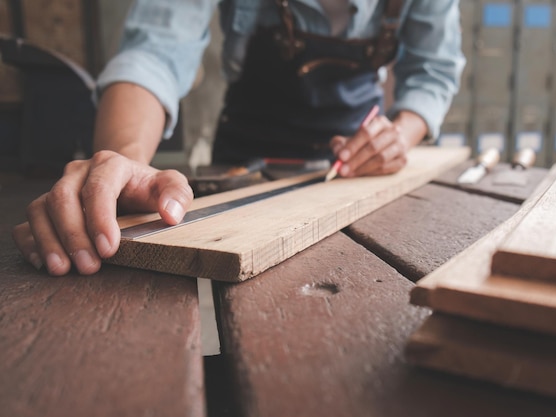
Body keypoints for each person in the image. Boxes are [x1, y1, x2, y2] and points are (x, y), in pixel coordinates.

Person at [12, 0, 465, 276]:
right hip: (245, 157)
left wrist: (399, 136)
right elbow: (155, 50)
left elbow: (434, 70)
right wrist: (124, 159)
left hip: (357, 171)